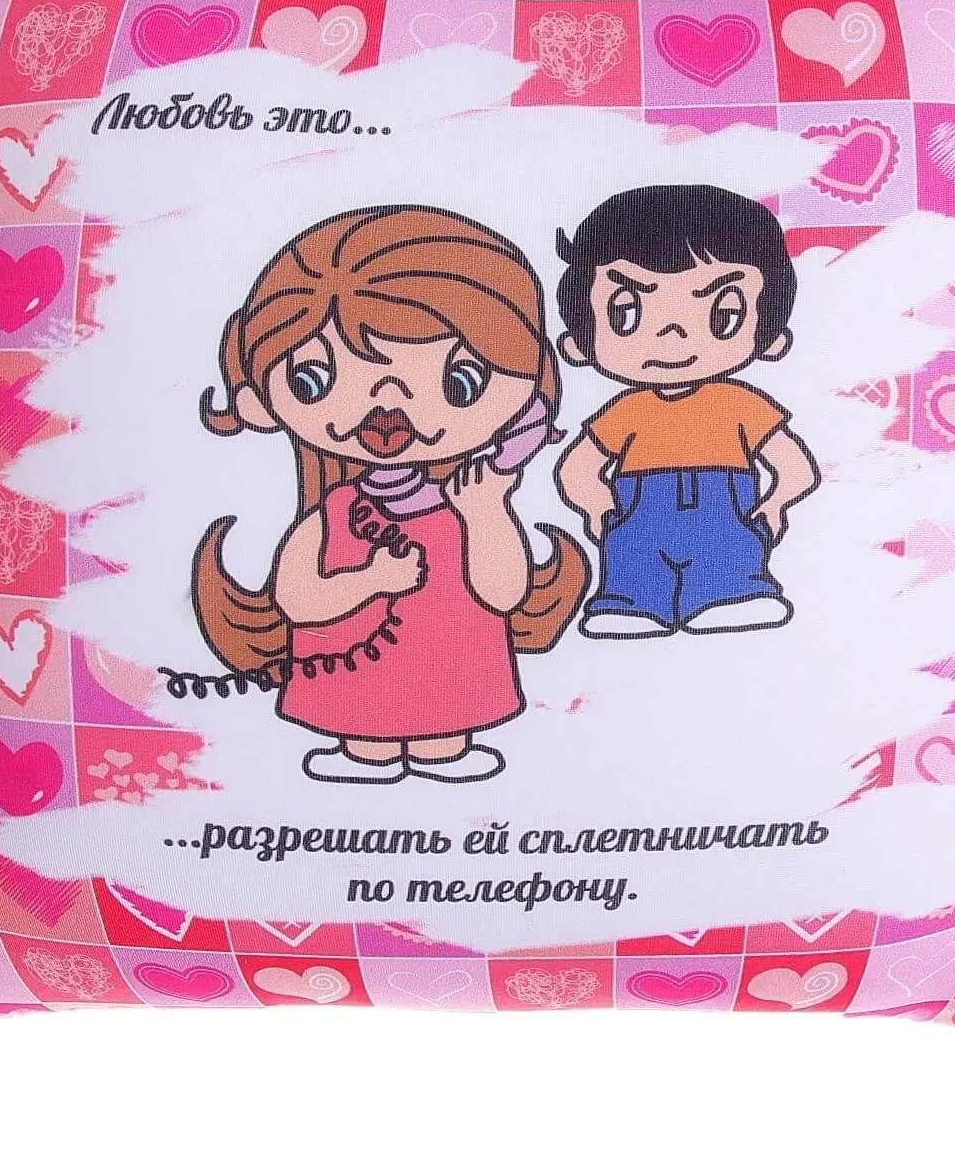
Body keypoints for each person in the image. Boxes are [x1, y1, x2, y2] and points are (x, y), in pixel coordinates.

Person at [191, 206, 588, 784]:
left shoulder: (470, 503)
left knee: (445, 740)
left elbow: (503, 593)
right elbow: (297, 599)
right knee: (364, 738)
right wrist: (369, 581)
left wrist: (486, 512)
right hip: (355, 677)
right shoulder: (332, 511)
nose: (389, 402)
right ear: (259, 399)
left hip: (453, 679)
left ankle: (443, 747)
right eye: (313, 379)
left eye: (460, 381)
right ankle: (364, 750)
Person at [554, 184, 819, 637]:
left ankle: (733, 594)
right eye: (627, 312)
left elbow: (795, 467)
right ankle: (630, 600)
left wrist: (776, 503)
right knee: (632, 561)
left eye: (723, 314)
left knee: (730, 563)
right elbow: (577, 469)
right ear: (579, 343)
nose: (672, 336)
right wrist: (597, 508)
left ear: (772, 336)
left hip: (724, 513)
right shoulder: (625, 412)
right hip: (639, 513)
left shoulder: (741, 405)